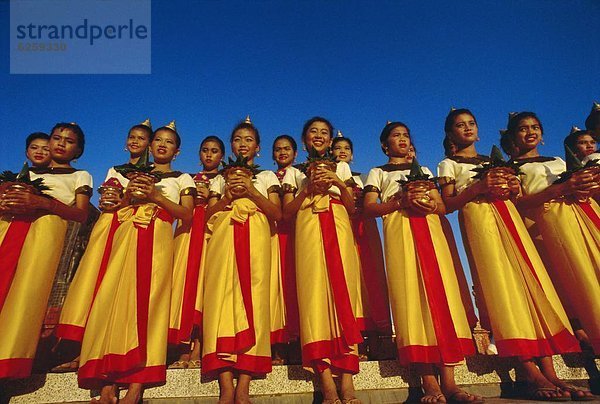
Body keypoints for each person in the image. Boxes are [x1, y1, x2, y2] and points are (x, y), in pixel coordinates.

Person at [438, 108, 581, 401]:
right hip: (479, 221)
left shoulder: (495, 161)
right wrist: (479, 187)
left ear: (478, 130)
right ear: (450, 135)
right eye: (459, 126)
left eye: (471, 124)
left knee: (531, 285)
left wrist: (512, 186)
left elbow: (517, 196)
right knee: (502, 290)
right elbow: (448, 204)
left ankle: (550, 370)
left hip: (510, 218)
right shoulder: (447, 164)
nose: (466, 128)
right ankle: (529, 370)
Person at [363, 121, 481, 404]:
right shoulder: (378, 172)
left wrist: (428, 205)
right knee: (411, 300)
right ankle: (429, 382)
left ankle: (451, 383)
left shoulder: (424, 171)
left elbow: (441, 207)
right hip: (400, 235)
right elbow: (369, 207)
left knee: (442, 297)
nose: (402, 139)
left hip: (430, 232)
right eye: (395, 136)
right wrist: (398, 202)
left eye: (405, 134)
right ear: (384, 145)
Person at [77, 121, 195, 404]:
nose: (162, 145)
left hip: (158, 239)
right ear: (150, 146)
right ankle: (107, 379)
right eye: (158, 141)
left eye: (169, 142)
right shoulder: (133, 174)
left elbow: (187, 215)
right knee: (113, 300)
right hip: (126, 235)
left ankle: (137, 383)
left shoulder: (182, 178)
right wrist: (124, 196)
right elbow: (115, 206)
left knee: (150, 304)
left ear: (177, 151)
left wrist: (156, 196)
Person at [500, 112, 598, 400]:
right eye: (522, 129)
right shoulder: (511, 167)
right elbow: (518, 202)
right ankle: (549, 368)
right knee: (558, 292)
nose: (530, 132)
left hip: (576, 225)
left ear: (542, 134)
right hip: (541, 232)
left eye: (535, 128)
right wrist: (558, 190)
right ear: (513, 137)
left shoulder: (558, 161)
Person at [55, 119, 153, 371]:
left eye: (142, 138)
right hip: (108, 225)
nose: (135, 141)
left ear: (150, 145)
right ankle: (80, 347)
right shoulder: (114, 169)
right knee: (92, 282)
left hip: (132, 227)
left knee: (117, 289)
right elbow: (109, 199)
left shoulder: (154, 173)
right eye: (132, 136)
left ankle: (107, 347)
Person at [0, 122, 91, 379]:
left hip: (46, 238)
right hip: (12, 231)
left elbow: (81, 214)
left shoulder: (79, 175)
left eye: (69, 141)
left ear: (79, 150)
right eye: (56, 138)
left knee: (29, 297)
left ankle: (16, 359)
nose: (61, 143)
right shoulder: (25, 176)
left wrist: (43, 203)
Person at [282, 117, 362, 404]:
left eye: (324, 132)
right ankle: (326, 382)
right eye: (312, 132)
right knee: (313, 296)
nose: (318, 136)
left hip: (338, 224)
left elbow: (353, 207)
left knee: (344, 294)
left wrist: (337, 182)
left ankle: (348, 380)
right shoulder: (293, 173)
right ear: (304, 140)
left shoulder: (341, 166)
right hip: (307, 227)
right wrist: (307, 188)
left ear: (330, 141)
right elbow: (286, 213)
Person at [201, 119, 281, 404]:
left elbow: (278, 214)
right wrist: (227, 198)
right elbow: (209, 214)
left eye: (248, 140)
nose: (242, 144)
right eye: (237, 139)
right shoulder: (219, 179)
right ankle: (225, 384)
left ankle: (244, 384)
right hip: (222, 239)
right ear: (231, 145)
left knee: (255, 299)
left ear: (257, 148)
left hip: (257, 239)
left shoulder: (267, 177)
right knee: (219, 301)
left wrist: (251, 191)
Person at [331, 134, 392, 360]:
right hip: (340, 227)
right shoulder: (328, 176)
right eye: (337, 148)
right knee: (349, 281)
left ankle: (376, 336)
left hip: (364, 230)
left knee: (371, 279)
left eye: (347, 148)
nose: (342, 152)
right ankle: (352, 337)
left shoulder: (364, 178)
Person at [168, 135, 225, 369]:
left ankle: (201, 346)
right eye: (205, 150)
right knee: (184, 284)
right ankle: (183, 346)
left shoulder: (225, 179)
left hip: (211, 232)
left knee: (205, 287)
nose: (209, 155)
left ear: (222, 156)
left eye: (214, 151)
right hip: (188, 232)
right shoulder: (186, 178)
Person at [271, 134, 302, 364]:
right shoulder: (266, 177)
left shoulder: (302, 174)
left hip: (300, 232)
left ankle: (300, 343)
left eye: (287, 148)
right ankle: (278, 345)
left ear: (295, 153)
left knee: (297, 285)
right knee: (276, 288)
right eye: (278, 149)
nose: (283, 152)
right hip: (273, 234)